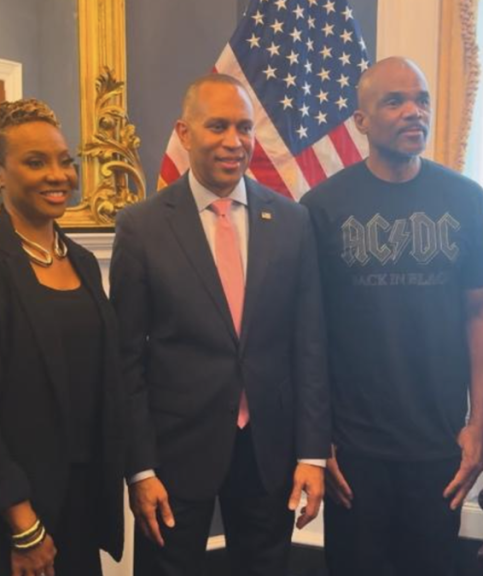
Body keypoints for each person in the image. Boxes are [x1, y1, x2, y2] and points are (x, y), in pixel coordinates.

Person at [109, 73, 329, 576]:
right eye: (218, 126)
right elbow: (126, 359)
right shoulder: (141, 228)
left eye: (245, 128)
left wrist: (312, 455)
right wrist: (139, 468)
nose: (234, 142)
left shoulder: (292, 222)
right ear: (185, 134)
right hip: (174, 456)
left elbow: (310, 346)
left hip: (269, 452)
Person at [299, 57, 483, 576]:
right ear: (361, 121)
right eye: (395, 101)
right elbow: (309, 332)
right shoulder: (322, 206)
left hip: (439, 444)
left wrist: (480, 424)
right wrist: (316, 440)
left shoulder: (467, 200)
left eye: (422, 99)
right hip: (354, 447)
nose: (415, 112)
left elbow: (482, 312)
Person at [0, 99, 127, 576]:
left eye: (64, 161)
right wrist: (24, 524)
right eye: (36, 162)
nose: (58, 175)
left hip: (77, 506)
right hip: (2, 521)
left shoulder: (80, 260)